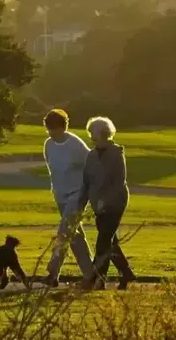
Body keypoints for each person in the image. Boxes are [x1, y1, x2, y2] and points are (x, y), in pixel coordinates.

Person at [76, 116, 136, 290]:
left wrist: (105, 201)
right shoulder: (92, 155)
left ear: (104, 133)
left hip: (115, 203)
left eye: (93, 132)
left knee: (103, 241)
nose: (91, 135)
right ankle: (125, 272)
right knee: (109, 241)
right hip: (98, 204)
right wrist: (81, 205)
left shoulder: (116, 154)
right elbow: (86, 182)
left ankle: (97, 279)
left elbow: (119, 182)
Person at [41, 109, 93, 287]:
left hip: (77, 194)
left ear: (63, 127)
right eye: (48, 129)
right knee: (75, 237)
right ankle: (91, 274)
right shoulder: (48, 144)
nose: (50, 133)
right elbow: (52, 169)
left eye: (53, 129)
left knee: (64, 231)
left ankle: (52, 270)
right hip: (60, 195)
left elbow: (91, 165)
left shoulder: (75, 144)